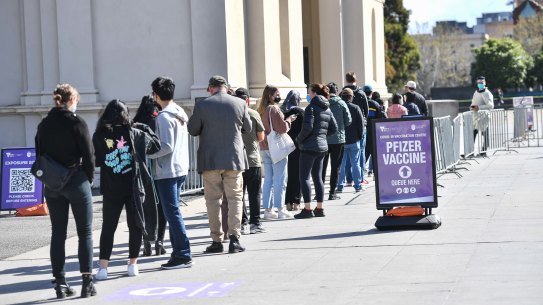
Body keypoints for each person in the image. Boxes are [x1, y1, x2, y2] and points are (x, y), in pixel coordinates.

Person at [35, 84, 96, 298]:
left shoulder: (43, 125)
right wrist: (88, 178)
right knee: (84, 233)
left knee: (58, 233)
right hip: (75, 178)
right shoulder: (77, 122)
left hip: (53, 184)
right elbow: (89, 156)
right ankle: (87, 282)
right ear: (72, 100)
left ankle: (60, 283)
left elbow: (39, 155)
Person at [93, 99, 161, 280]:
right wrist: (144, 127)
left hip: (111, 188)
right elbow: (156, 145)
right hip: (133, 186)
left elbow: (98, 161)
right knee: (135, 225)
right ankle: (132, 265)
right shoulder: (135, 133)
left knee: (108, 227)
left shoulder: (99, 135)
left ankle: (103, 268)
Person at [188, 75, 252, 254]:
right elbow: (248, 128)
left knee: (212, 201)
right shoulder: (240, 103)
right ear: (226, 87)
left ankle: (216, 240)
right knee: (235, 199)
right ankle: (235, 239)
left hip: (210, 160)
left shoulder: (202, 105)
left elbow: (192, 129)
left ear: (210, 88)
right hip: (234, 159)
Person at [147, 76, 193, 269]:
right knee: (173, 212)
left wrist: (148, 154)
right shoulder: (179, 111)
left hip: (167, 170)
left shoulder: (165, 117)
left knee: (171, 213)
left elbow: (166, 146)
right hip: (180, 167)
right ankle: (179, 252)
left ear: (156, 95)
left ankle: (182, 253)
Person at [294, 84, 337, 219]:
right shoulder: (327, 108)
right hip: (322, 147)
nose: (308, 95)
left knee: (305, 177)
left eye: (309, 92)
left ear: (314, 93)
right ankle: (320, 208)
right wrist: (322, 136)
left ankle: (307, 209)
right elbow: (334, 128)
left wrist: (298, 139)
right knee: (318, 178)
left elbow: (307, 128)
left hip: (309, 147)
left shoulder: (311, 107)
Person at [133, 95, 168, 256]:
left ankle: (146, 242)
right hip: (155, 169)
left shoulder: (135, 122)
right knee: (160, 208)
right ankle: (159, 241)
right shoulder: (157, 120)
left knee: (143, 208)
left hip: (139, 172)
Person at [257, 85, 297, 220]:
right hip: (276, 148)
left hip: (264, 147)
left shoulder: (260, 109)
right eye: (277, 94)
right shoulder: (273, 109)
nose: (279, 97)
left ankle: (268, 210)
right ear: (270, 96)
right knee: (280, 179)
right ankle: (281, 209)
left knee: (268, 179)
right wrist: (289, 120)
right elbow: (281, 128)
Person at [235, 87, 267, 235]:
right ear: (247, 99)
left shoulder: (232, 115)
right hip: (253, 159)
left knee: (238, 194)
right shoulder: (253, 114)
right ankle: (255, 223)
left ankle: (242, 222)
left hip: (236, 160)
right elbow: (261, 137)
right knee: (255, 193)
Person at [322, 82, 351, 200]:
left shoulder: (323, 103)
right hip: (338, 139)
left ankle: (320, 191)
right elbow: (348, 120)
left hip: (324, 138)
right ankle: (332, 192)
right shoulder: (342, 103)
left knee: (322, 166)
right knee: (335, 167)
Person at [337, 88, 365, 193]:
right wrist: (360, 137)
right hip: (354, 140)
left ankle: (340, 186)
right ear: (351, 97)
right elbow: (361, 125)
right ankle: (357, 185)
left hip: (342, 140)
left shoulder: (339, 107)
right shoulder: (355, 107)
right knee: (355, 163)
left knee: (342, 164)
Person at [281, 90, 305, 211]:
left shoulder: (285, 112)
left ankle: (288, 202)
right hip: (299, 146)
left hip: (287, 146)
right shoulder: (301, 112)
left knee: (289, 174)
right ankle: (296, 201)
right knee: (299, 174)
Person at [363, 85, 386, 178]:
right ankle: (376, 175)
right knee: (375, 154)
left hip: (363, 132)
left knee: (363, 155)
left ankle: (360, 175)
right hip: (374, 132)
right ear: (371, 93)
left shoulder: (360, 103)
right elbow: (380, 119)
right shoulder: (375, 104)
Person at [470, 76, 494, 156]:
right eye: (479, 82)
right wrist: (471, 107)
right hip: (476, 117)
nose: (480, 84)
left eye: (481, 82)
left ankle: (484, 151)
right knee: (473, 133)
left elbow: (491, 105)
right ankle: (470, 152)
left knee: (485, 134)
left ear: (485, 83)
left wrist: (479, 108)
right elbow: (473, 103)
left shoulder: (487, 93)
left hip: (484, 117)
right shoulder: (476, 92)